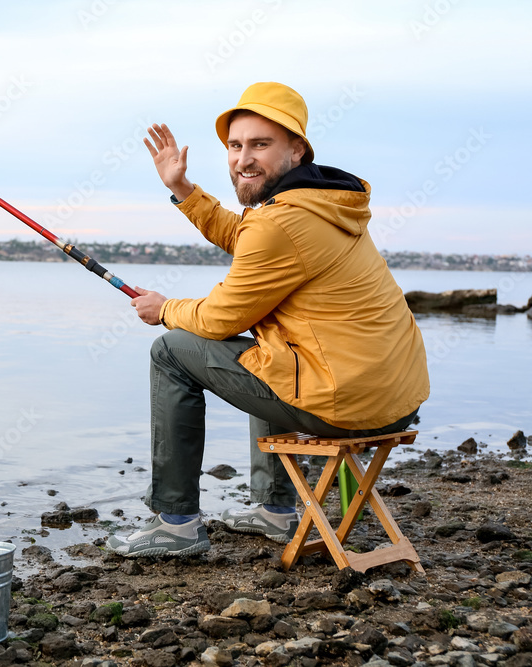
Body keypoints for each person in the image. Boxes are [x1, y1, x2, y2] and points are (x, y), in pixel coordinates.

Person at [107, 82, 429, 558]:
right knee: (266, 356)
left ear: (296, 149)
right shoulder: (321, 205)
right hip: (396, 401)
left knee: (171, 351)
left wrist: (165, 310)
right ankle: (275, 511)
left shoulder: (281, 221)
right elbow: (247, 236)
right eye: (235, 146)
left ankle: (175, 522)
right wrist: (182, 188)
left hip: (349, 406)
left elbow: (218, 318)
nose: (242, 159)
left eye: (260, 144)